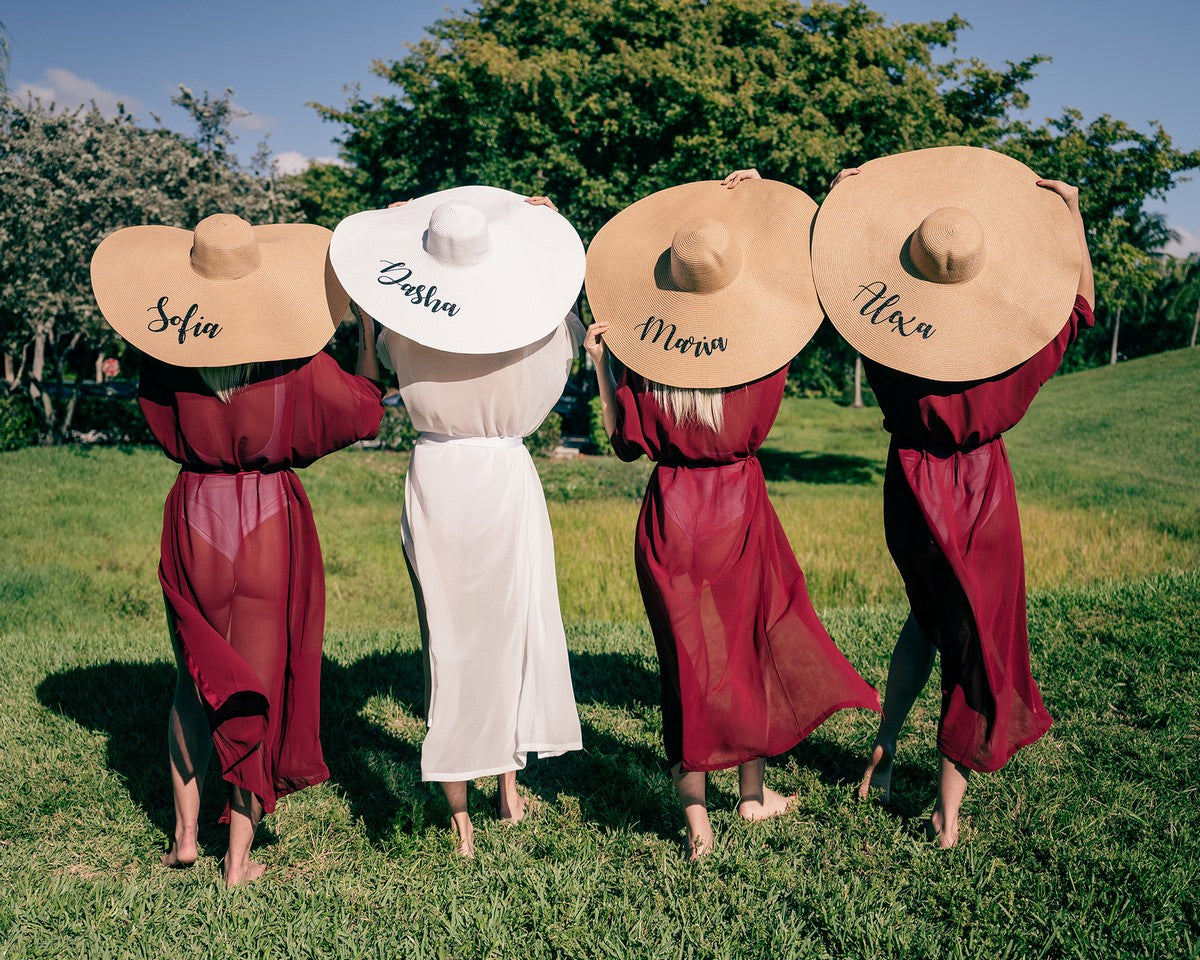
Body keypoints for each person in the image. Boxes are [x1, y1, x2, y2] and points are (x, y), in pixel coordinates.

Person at [802, 145, 1095, 846]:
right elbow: (1078, 306)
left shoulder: (885, 338)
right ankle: (948, 812)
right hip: (978, 492)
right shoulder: (1019, 350)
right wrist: (1073, 221)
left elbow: (831, 283)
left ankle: (885, 742)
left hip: (906, 485)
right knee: (973, 644)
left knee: (927, 618)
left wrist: (836, 206)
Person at [583, 179, 881, 859]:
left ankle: (698, 824)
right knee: (746, 649)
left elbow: (625, 442)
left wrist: (602, 366)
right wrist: (766, 205)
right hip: (739, 508)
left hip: (670, 516)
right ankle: (753, 794)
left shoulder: (647, 367)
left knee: (683, 664)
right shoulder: (761, 359)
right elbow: (803, 289)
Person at [90, 213, 384, 885]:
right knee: (258, 680)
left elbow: (158, 422)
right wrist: (366, 336)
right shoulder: (297, 366)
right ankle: (239, 859)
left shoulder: (166, 361)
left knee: (194, 678)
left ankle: (187, 836)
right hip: (268, 518)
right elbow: (364, 410)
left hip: (195, 511)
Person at [330, 187, 585, 857]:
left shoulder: (401, 325)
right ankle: (506, 789)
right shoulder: (536, 322)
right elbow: (567, 316)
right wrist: (546, 222)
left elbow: (372, 380)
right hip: (503, 474)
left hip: (438, 475)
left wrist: (367, 309)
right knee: (508, 632)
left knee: (448, 639)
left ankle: (462, 818)